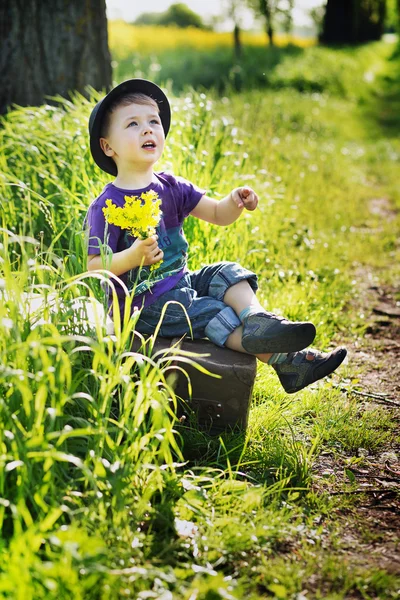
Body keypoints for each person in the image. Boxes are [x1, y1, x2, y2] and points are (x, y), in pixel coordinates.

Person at [85, 78, 347, 394]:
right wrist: (132, 257)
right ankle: (289, 362)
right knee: (216, 313)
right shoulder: (106, 205)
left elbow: (217, 214)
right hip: (146, 303)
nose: (148, 129)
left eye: (154, 121)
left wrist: (235, 201)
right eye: (133, 124)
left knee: (227, 273)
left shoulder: (172, 186)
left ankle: (256, 319)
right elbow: (94, 267)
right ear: (108, 146)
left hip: (181, 281)